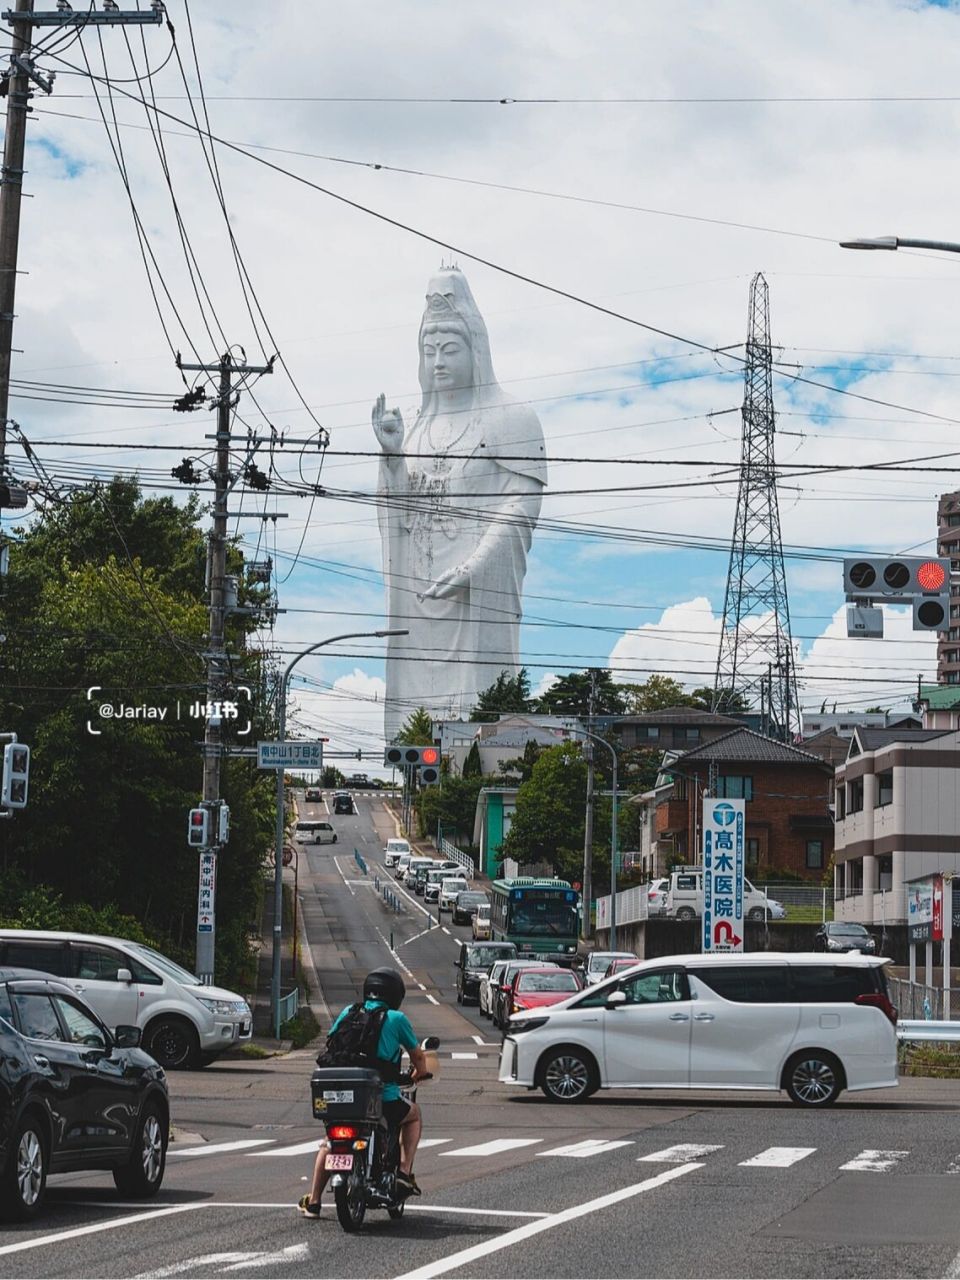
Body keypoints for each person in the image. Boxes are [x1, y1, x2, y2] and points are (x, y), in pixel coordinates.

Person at [373, 266, 547, 742]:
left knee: (477, 709)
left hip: (474, 595)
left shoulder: (512, 417)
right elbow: (398, 515)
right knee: (416, 718)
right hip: (419, 591)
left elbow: (521, 507)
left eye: (449, 349)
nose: (438, 362)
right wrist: (393, 458)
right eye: (429, 351)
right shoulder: (414, 424)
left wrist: (476, 566)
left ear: (476, 350)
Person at [298, 966, 427, 1219]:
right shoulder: (396, 1019)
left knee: (330, 1142)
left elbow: (331, 1042)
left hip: (342, 1096)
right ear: (395, 994)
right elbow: (418, 1058)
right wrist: (418, 1074)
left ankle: (313, 1201)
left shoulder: (350, 1011)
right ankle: (404, 1172)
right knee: (414, 1115)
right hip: (382, 1099)